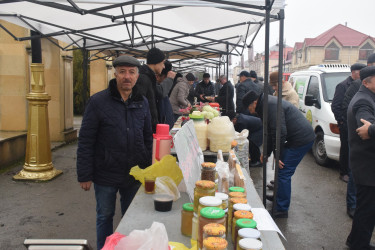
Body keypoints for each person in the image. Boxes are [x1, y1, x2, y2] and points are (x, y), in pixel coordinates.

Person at [76, 55, 153, 249]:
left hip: (133, 173)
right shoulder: (98, 102)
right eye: (122, 71)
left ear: (137, 76)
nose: (127, 76)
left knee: (130, 217)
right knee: (105, 216)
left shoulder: (142, 102)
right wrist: (84, 174)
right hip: (105, 172)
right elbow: (86, 140)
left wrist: (148, 169)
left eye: (131, 72)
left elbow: (146, 138)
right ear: (115, 73)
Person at [242, 91, 315, 218]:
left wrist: (278, 155)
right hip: (294, 138)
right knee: (280, 169)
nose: (250, 110)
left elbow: (279, 132)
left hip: (301, 139)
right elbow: (270, 132)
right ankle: (278, 196)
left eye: (249, 107)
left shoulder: (270, 106)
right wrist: (267, 152)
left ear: (254, 102)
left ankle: (281, 209)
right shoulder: (265, 104)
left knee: (284, 171)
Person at [346, 66, 375, 250]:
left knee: (366, 208)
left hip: (365, 163)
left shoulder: (367, 97)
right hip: (368, 165)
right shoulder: (363, 101)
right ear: (366, 82)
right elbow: (364, 127)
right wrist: (370, 130)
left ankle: (355, 241)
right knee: (367, 210)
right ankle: (359, 245)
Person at [331, 63, 366, 183]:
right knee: (346, 148)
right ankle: (343, 172)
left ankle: (352, 170)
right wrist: (341, 121)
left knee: (354, 149)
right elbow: (336, 106)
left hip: (356, 124)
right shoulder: (342, 86)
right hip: (345, 124)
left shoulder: (362, 85)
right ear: (354, 73)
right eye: (361, 73)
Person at [136, 47, 166, 132]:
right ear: (156, 62)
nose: (163, 66)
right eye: (163, 63)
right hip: (145, 130)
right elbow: (140, 108)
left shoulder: (149, 77)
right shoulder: (143, 78)